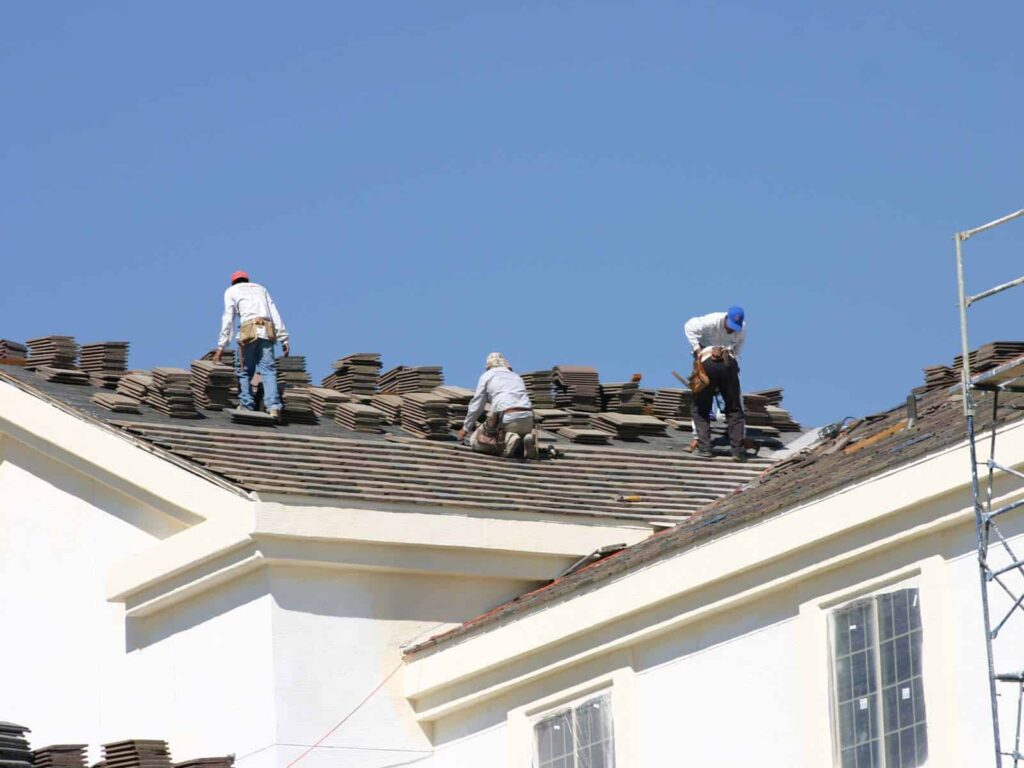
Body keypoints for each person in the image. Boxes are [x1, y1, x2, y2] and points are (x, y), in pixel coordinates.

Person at [213, 270, 290, 421]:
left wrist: (221, 346)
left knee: (244, 370)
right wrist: (284, 339)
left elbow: (228, 318)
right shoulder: (261, 288)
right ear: (247, 280)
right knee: (268, 370)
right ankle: (274, 407)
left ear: (233, 282)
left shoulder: (231, 291)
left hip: (248, 333)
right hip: (267, 332)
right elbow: (274, 313)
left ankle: (247, 404)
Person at [683, 306, 747, 461]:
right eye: (729, 326)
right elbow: (688, 326)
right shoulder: (710, 321)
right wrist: (697, 349)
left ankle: (711, 448)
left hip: (727, 362)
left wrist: (733, 361)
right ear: (725, 318)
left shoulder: (742, 328)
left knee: (708, 407)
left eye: (734, 328)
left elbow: (739, 348)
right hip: (707, 362)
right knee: (724, 407)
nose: (731, 330)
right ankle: (735, 450)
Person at [459, 352, 537, 459]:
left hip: (507, 417)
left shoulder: (487, 376)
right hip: (528, 418)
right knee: (519, 434)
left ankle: (509, 439)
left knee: (476, 442)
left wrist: (465, 428)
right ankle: (527, 439)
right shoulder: (516, 376)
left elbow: (477, 405)